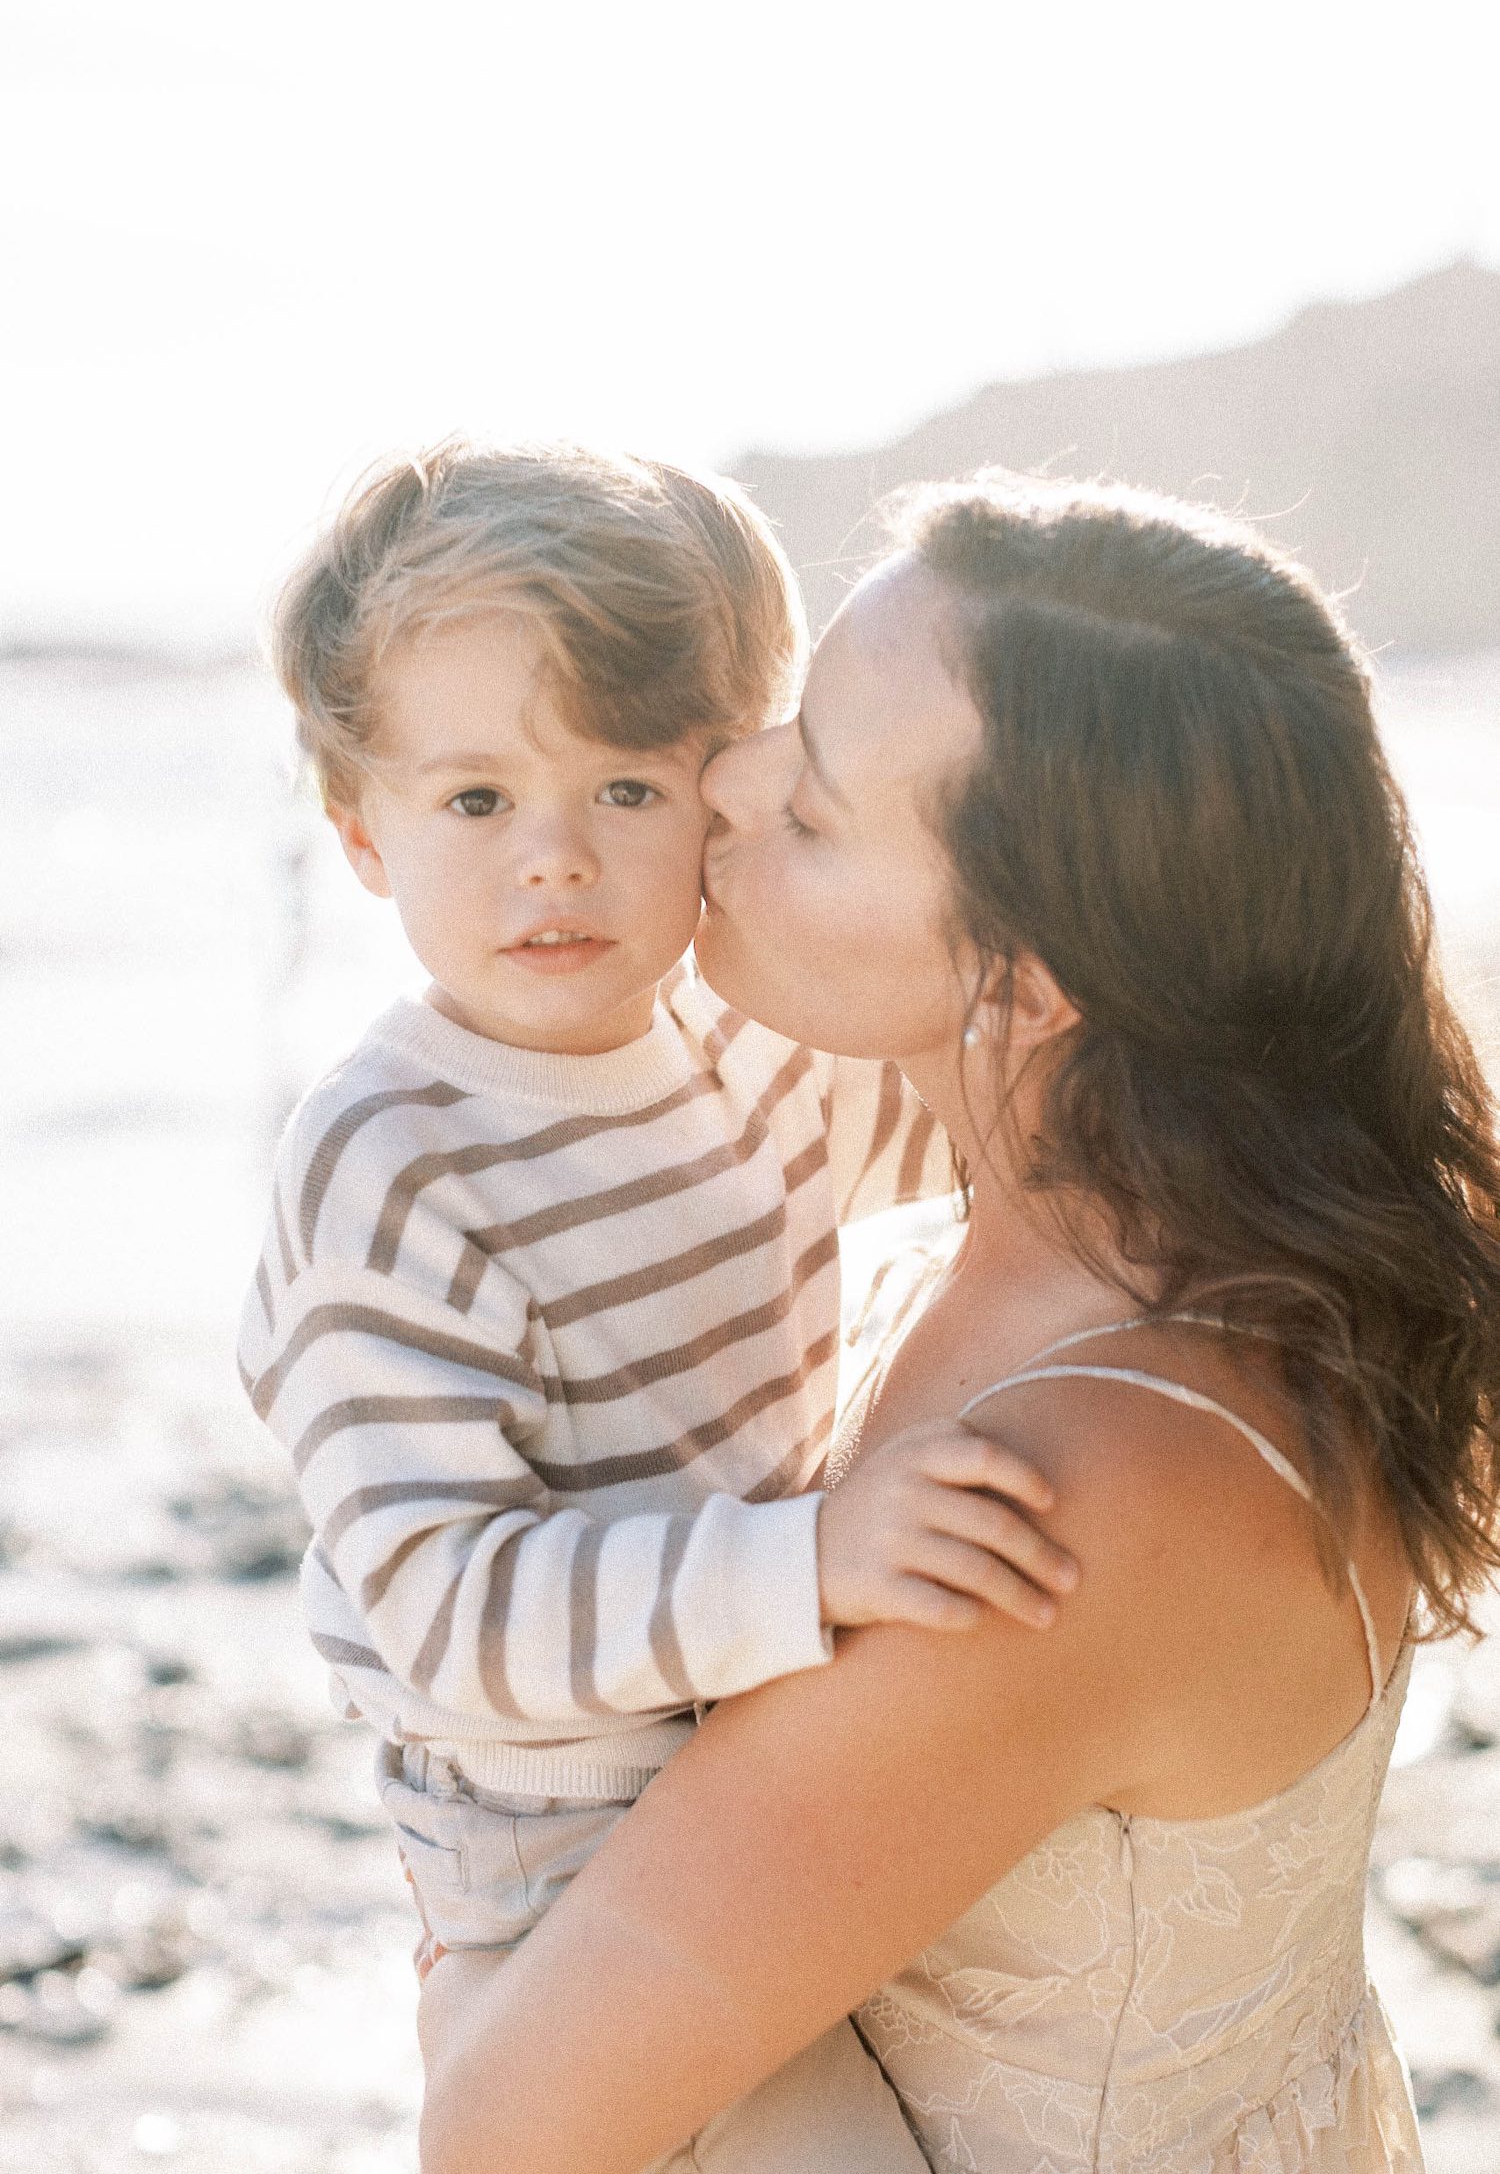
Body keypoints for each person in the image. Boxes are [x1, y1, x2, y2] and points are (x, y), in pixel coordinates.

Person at [417, 475, 1500, 2173]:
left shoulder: (1065, 1499)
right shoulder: (1189, 1233)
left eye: (819, 808)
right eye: (789, 722)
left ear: (1020, 982)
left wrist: (457, 1889)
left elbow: (508, 2125)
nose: (725, 778)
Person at [239, 443, 1079, 2174]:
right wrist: (816, 1559)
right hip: (558, 1842)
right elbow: (448, 1612)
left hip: (762, 1735)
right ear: (360, 832)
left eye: (626, 790)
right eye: (475, 802)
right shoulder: (390, 1160)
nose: (554, 861)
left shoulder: (740, 1044)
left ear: (726, 791)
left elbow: (986, 1136)